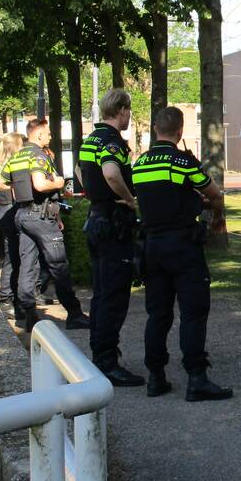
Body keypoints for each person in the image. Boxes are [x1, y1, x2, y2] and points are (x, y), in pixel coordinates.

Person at [132, 107, 232, 401]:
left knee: (158, 314)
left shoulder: (140, 163)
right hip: (182, 246)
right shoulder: (183, 161)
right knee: (193, 312)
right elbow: (214, 194)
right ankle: (196, 378)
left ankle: (156, 377)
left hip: (152, 246)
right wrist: (215, 215)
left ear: (155, 129)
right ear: (180, 131)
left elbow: (156, 196)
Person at [76, 88, 144, 387]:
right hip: (114, 224)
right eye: (129, 112)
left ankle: (98, 354)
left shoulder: (90, 139)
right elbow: (112, 173)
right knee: (115, 295)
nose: (129, 117)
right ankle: (108, 363)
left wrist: (94, 193)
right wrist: (129, 199)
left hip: (96, 220)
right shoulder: (113, 141)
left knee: (101, 292)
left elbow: (79, 169)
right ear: (123, 110)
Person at [0, 119, 90, 332]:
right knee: (58, 265)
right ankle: (74, 314)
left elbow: (0, 183)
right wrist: (58, 182)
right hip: (40, 216)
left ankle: (29, 315)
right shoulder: (38, 155)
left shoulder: (17, 156)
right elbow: (40, 184)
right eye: (48, 133)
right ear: (38, 134)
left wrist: (21, 187)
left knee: (27, 266)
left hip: (22, 215)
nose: (50, 136)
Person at [0, 133, 24, 319]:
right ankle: (6, 299)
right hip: (9, 212)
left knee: (9, 258)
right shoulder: (10, 167)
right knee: (12, 258)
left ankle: (9, 298)